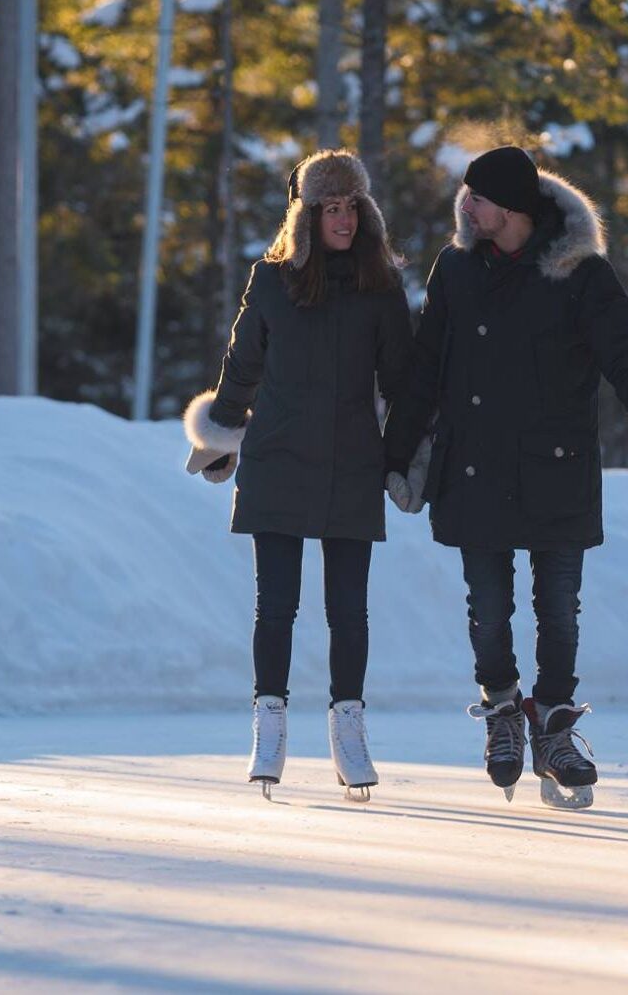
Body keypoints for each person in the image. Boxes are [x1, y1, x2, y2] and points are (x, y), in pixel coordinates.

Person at [382, 145, 628, 809]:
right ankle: (501, 710)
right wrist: (394, 448)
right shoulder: (456, 268)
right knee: (488, 610)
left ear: (514, 208)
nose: (466, 203)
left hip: (556, 467)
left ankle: (551, 727)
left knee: (558, 611)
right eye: (467, 192)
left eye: (480, 195)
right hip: (474, 465)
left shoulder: (579, 273)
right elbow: (426, 364)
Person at [183, 149, 412, 801]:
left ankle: (348, 729)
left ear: (365, 212)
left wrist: (400, 458)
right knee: (275, 604)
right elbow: (240, 367)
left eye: (350, 207)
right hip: (278, 455)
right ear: (307, 215)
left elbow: (400, 381)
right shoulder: (273, 280)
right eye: (328, 208)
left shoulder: (381, 287)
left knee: (348, 608)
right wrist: (219, 434)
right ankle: (269, 723)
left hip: (351, 459)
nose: (342, 218)